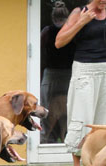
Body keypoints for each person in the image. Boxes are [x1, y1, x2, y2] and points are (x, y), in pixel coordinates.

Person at [55, 0, 106, 166]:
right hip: (84, 71)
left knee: (104, 120)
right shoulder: (79, 12)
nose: (104, 1)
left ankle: (102, 165)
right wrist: (81, 22)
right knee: (82, 117)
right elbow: (59, 42)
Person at [40, 1, 75, 143]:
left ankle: (47, 139)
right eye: (58, 20)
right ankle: (48, 140)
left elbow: (39, 51)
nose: (59, 23)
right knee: (49, 110)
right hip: (59, 73)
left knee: (49, 110)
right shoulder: (69, 30)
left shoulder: (48, 31)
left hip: (62, 74)